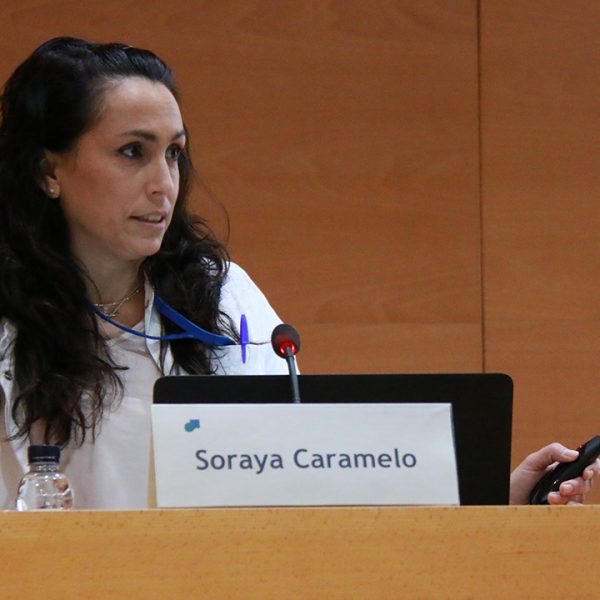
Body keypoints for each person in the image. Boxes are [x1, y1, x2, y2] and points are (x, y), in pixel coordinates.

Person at [0, 37, 596, 509]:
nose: (165, 184)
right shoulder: (10, 319)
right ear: (48, 171)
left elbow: (306, 487)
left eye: (174, 153)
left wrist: (486, 501)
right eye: (133, 151)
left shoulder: (218, 294)